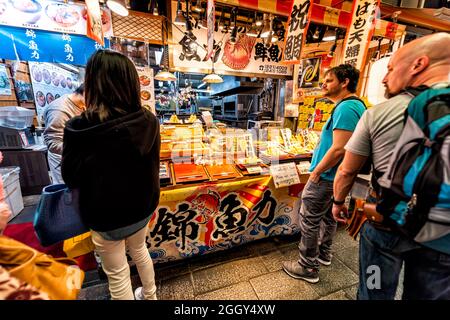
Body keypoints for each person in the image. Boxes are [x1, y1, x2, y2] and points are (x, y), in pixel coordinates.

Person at [332, 32, 450, 299]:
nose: (385, 78)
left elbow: (348, 169)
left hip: (385, 227)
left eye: (390, 68)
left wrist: (338, 201)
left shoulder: (378, 112)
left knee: (374, 289)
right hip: (444, 236)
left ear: (418, 65)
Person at [61, 50, 161, 300]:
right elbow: (154, 164)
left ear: (92, 83)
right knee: (140, 251)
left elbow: (70, 177)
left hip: (105, 216)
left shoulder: (79, 128)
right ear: (131, 83)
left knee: (117, 272)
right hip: (142, 208)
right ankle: (150, 295)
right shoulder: (148, 120)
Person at [282, 64, 366, 283]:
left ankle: (307, 267)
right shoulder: (353, 106)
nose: (323, 85)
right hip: (334, 177)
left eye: (328, 80)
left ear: (344, 81)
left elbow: (339, 148)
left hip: (327, 177)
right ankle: (323, 254)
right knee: (328, 217)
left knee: (309, 219)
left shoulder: (346, 107)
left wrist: (316, 172)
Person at [43, 84, 85, 184]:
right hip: (61, 159)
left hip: (77, 157)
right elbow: (54, 144)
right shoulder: (59, 110)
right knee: (67, 192)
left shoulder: (82, 105)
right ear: (87, 92)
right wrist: (84, 150)